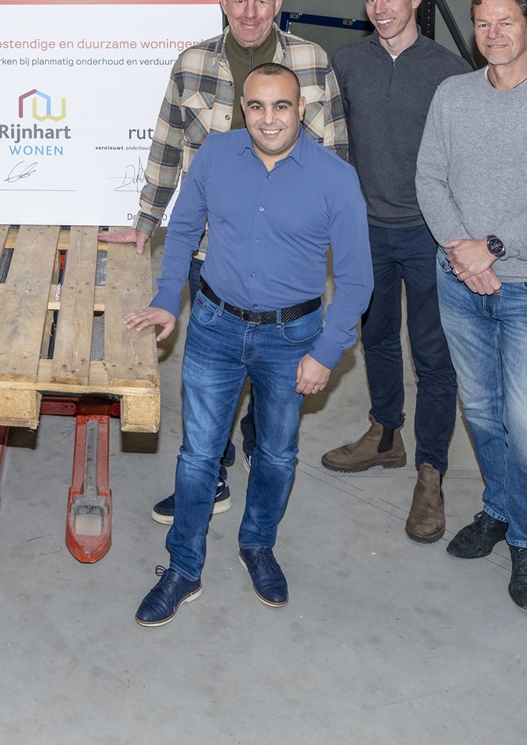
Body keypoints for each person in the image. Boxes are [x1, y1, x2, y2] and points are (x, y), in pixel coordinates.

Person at [100, 0, 348, 524]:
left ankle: (261, 451)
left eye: (262, 0)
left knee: (272, 375)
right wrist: (145, 221)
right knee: (213, 376)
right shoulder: (192, 64)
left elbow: (334, 156)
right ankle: (210, 475)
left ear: (278, 3)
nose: (250, 12)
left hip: (285, 256)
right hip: (211, 250)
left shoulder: (312, 62)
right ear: (222, 1)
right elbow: (167, 146)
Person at [127, 63, 370, 625]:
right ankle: (183, 567)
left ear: (301, 109)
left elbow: (357, 281)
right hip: (214, 326)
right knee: (198, 454)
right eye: (257, 106)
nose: (269, 119)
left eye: (281, 106)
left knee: (277, 453)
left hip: (292, 339)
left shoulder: (335, 179)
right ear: (243, 108)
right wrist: (167, 296)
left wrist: (326, 352)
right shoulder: (215, 155)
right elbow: (184, 228)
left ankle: (258, 543)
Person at [415, 0, 527, 610]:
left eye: (506, 22)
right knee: (484, 412)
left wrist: (490, 248)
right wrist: (462, 253)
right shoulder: (452, 95)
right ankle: (498, 507)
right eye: (484, 24)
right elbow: (429, 178)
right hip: (460, 282)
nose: (493, 35)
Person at [319, 0, 467, 543]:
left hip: (430, 234)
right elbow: (332, 144)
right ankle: (385, 434)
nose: (380, 9)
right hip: (366, 231)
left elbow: (464, 160)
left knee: (433, 355)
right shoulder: (347, 63)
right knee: (376, 337)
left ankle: (431, 471)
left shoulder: (449, 71)